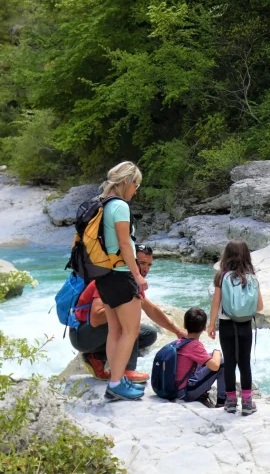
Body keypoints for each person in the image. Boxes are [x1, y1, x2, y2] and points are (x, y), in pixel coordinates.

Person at [70, 244, 186, 382]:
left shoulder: (130, 281)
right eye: (142, 263)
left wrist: (177, 331)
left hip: (97, 334)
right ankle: (127, 370)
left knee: (149, 334)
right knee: (129, 323)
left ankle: (97, 357)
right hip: (83, 335)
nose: (146, 269)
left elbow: (151, 310)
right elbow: (95, 318)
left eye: (149, 265)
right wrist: (122, 306)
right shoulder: (111, 278)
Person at [94, 161, 148, 401]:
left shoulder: (101, 204)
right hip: (120, 273)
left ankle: (114, 380)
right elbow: (125, 243)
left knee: (114, 330)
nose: (135, 190)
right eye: (135, 184)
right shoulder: (120, 207)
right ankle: (116, 383)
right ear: (126, 181)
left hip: (103, 275)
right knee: (131, 330)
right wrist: (137, 275)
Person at [208, 239, 263, 416]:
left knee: (230, 362)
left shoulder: (221, 276)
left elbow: (216, 302)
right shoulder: (252, 278)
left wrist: (211, 325)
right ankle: (247, 402)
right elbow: (260, 307)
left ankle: (231, 401)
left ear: (226, 255)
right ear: (247, 255)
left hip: (226, 325)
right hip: (245, 324)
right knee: (245, 362)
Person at [175, 308, 226, 408]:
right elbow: (215, 366)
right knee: (222, 362)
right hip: (186, 393)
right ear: (204, 328)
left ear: (184, 325)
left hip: (176, 388)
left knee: (210, 356)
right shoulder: (195, 345)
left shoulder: (180, 342)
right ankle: (222, 401)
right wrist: (217, 352)